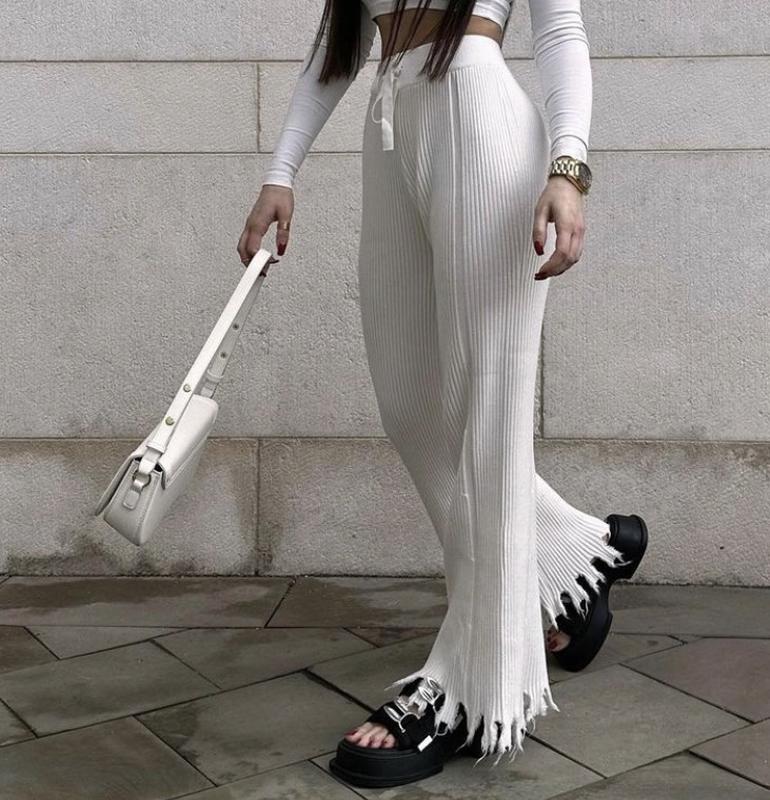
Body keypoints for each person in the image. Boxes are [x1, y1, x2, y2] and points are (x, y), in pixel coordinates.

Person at [238, 0, 648, 789]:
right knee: (410, 405)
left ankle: (468, 686)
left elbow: (560, 29)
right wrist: (280, 171)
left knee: (487, 416)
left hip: (480, 114)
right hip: (390, 123)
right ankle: (581, 556)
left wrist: (568, 168)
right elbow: (336, 47)